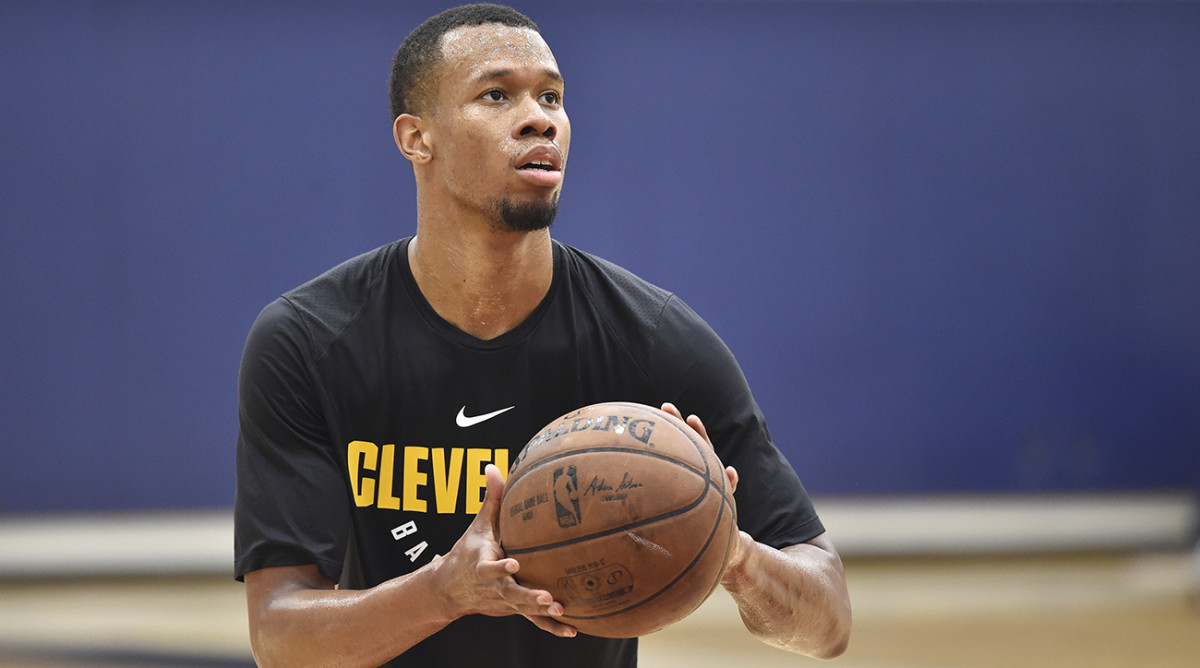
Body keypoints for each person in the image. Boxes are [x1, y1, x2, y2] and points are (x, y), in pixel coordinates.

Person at [234, 4, 852, 667]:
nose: (540, 118)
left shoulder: (652, 339)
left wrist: (731, 551)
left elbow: (828, 622)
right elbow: (280, 639)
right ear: (417, 138)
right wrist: (444, 591)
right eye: (496, 94)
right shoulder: (309, 343)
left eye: (551, 95)